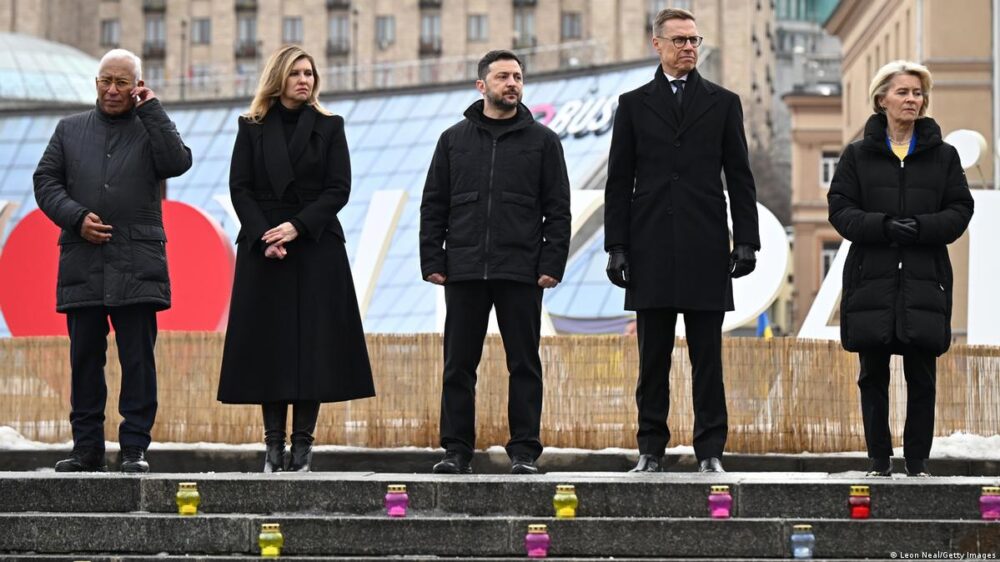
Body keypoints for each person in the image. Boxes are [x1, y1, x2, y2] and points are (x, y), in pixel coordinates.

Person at [604, 8, 760, 473]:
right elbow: (619, 181)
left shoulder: (723, 102)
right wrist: (617, 246)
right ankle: (650, 450)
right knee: (652, 360)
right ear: (657, 44)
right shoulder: (633, 104)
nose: (689, 47)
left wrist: (747, 241)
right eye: (679, 40)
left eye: (694, 40)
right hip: (649, 246)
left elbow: (740, 176)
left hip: (705, 247)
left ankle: (710, 451)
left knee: (708, 359)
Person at [217, 45, 375, 473]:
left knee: (313, 346)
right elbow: (240, 187)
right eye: (296, 73)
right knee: (270, 347)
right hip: (264, 249)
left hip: (317, 245)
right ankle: (273, 446)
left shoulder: (330, 125)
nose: (305, 80)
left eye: (309, 73)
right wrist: (263, 236)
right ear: (278, 78)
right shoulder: (250, 127)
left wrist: (297, 227)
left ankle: (303, 445)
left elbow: (339, 188)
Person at [33, 49, 192, 473]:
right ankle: (86, 449)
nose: (112, 89)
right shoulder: (69, 129)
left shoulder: (150, 126)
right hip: (82, 261)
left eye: (122, 82)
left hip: (138, 263)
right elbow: (45, 182)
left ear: (137, 85)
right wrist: (75, 217)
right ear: (96, 83)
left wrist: (152, 109)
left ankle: (134, 448)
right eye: (106, 81)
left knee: (138, 360)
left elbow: (177, 162)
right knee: (85, 359)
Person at [420, 49, 571, 475]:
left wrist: (552, 263)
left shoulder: (544, 142)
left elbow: (558, 209)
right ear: (481, 85)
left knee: (524, 364)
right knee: (458, 365)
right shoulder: (453, 140)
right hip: (464, 269)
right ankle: (456, 451)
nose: (512, 83)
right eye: (503, 76)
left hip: (521, 271)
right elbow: (434, 204)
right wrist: (432, 258)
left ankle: (524, 452)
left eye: (517, 76)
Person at [828, 60, 973, 478]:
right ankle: (878, 461)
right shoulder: (857, 155)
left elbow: (961, 209)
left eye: (918, 93)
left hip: (925, 280)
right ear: (882, 99)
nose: (912, 99)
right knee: (872, 375)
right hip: (871, 279)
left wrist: (922, 229)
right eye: (903, 92)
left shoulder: (944, 157)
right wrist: (884, 226)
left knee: (922, 376)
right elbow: (840, 209)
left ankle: (918, 462)